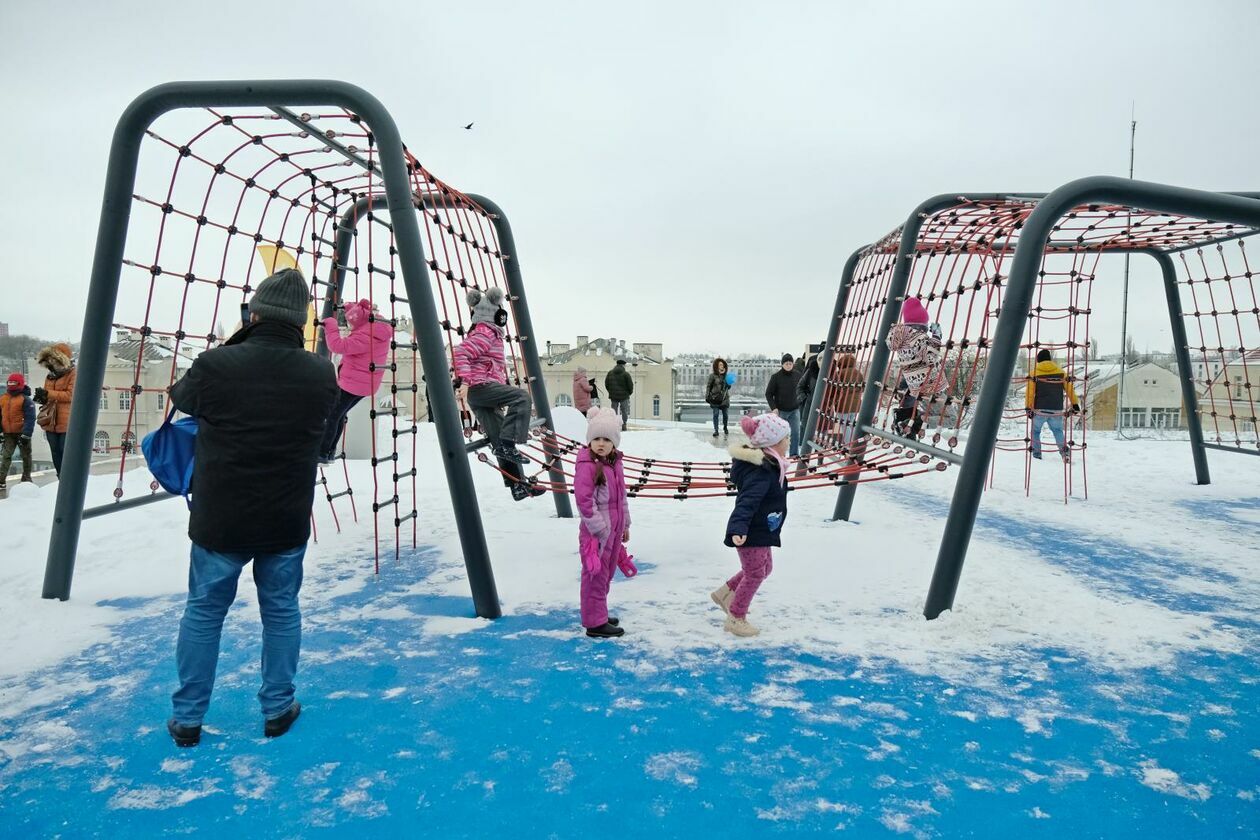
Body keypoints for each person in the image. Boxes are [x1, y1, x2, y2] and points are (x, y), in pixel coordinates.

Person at [165, 268, 339, 748]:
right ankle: (278, 708)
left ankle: (188, 718)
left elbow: (181, 401)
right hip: (285, 514)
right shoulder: (320, 372)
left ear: (254, 312)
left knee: (203, 611)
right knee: (281, 610)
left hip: (221, 514)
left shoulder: (217, 364)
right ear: (301, 319)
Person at [452, 287, 544, 501]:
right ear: (496, 314)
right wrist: (465, 381)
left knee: (499, 439)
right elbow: (460, 353)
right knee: (521, 398)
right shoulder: (487, 331)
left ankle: (518, 486)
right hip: (480, 387)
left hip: (481, 389)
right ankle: (510, 444)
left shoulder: (485, 331)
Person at [710, 413, 791, 637]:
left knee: (764, 569)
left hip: (763, 529)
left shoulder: (773, 465)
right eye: (786, 439)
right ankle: (736, 616)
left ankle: (725, 593)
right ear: (773, 443)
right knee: (755, 573)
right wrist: (738, 528)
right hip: (750, 531)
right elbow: (747, 502)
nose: (789, 443)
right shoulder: (761, 472)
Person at [574, 407, 636, 639]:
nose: (601, 443)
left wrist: (625, 525)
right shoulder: (587, 465)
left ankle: (598, 612)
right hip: (596, 533)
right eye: (596, 438)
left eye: (607, 439)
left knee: (607, 573)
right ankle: (594, 623)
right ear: (589, 440)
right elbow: (583, 501)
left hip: (613, 529)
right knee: (595, 575)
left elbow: (621, 498)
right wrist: (600, 529)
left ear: (614, 443)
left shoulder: (614, 464)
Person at [317, 298, 392, 464]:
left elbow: (337, 346)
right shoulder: (375, 327)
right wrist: (351, 308)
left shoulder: (366, 335)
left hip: (353, 384)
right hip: (364, 383)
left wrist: (331, 325)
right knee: (339, 414)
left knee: (333, 414)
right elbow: (359, 316)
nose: (350, 327)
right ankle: (329, 452)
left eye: (352, 323)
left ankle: (322, 452)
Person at [886, 298, 945, 439]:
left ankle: (907, 420)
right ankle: (910, 423)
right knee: (950, 418)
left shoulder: (901, 336)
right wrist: (936, 336)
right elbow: (930, 356)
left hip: (914, 383)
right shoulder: (916, 336)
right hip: (930, 384)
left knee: (931, 411)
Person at [1026, 348, 1080, 462]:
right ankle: (1064, 452)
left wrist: (1028, 407)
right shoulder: (1061, 372)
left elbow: (1030, 393)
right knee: (1057, 431)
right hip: (1056, 408)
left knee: (1035, 431)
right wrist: (1075, 404)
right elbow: (1069, 389)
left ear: (1038, 360)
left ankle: (1037, 454)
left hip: (1039, 409)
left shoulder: (1034, 373)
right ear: (1050, 359)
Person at [32, 342, 76, 476]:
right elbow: (48, 394)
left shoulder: (73, 373)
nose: (52, 364)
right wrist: (42, 397)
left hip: (67, 420)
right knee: (55, 451)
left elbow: (71, 395)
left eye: (54, 360)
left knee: (65, 450)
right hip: (51, 420)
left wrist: (48, 394)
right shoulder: (50, 375)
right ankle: (60, 477)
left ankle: (69, 476)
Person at [0, 372, 36, 489]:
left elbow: (30, 418)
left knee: (26, 455)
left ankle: (26, 478)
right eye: (9, 382)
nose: (11, 385)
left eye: (13, 382)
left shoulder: (25, 400)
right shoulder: (3, 399)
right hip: (8, 433)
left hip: (22, 433)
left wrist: (26, 434)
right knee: (6, 456)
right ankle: (1, 480)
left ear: (19, 384)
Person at [764, 353, 802, 457]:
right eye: (786, 363)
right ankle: (779, 454)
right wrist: (774, 408)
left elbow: (802, 389)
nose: (789, 365)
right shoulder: (776, 377)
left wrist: (801, 400)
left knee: (795, 433)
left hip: (795, 409)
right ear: (782, 364)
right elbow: (768, 394)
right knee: (780, 435)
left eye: (790, 363)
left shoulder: (798, 375)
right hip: (781, 411)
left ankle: (794, 454)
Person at [831, 353, 865, 445]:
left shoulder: (840, 373)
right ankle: (855, 442)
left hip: (843, 404)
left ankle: (849, 444)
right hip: (856, 404)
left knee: (844, 425)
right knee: (852, 424)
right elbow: (863, 388)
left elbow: (837, 388)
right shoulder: (859, 373)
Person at [604, 359, 634, 431]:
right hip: (624, 396)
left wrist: (610, 391)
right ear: (623, 365)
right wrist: (629, 393)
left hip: (613, 396)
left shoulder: (610, 373)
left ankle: (613, 424)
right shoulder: (626, 374)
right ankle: (624, 424)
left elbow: (606, 384)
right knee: (624, 410)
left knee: (614, 410)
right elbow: (630, 385)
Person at [705, 357, 732, 438]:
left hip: (724, 398)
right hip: (715, 398)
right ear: (716, 366)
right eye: (720, 365)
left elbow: (728, 388)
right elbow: (708, 386)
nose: (722, 366)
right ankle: (716, 430)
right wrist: (707, 396)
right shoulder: (712, 376)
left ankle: (725, 427)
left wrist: (728, 384)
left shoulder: (726, 376)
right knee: (715, 414)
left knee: (725, 415)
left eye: (723, 365)